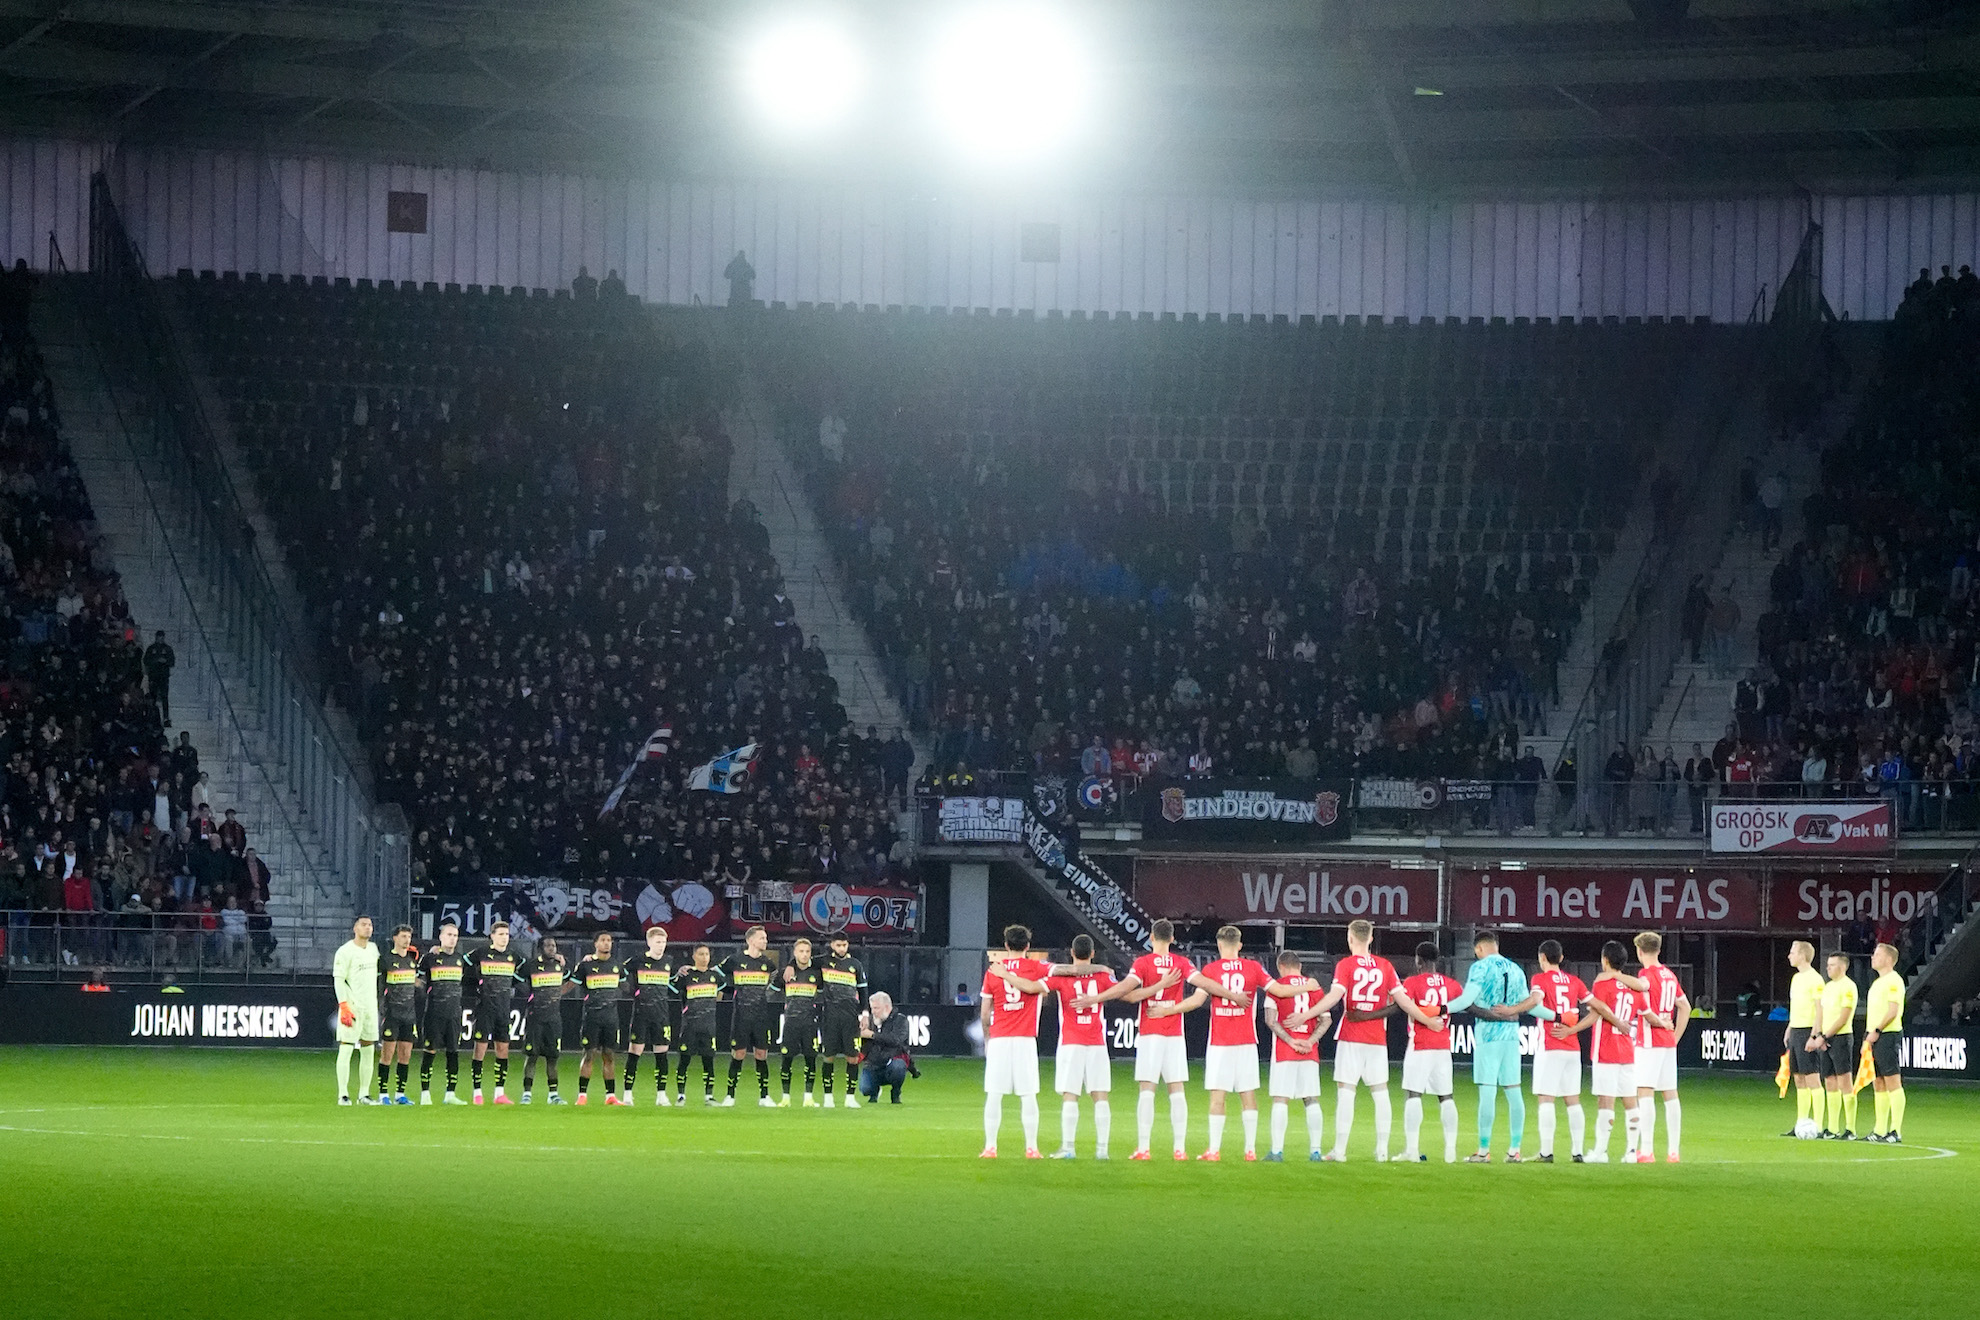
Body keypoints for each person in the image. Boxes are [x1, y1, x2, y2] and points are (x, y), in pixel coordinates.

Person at [1073, 916, 1190, 1159]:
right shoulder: (1182, 963)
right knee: (1176, 1089)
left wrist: (1094, 999)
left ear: (1150, 938)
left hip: (1150, 1032)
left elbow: (1126, 990)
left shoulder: (1143, 963)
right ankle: (1179, 1150)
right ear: (1172, 939)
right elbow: (1203, 987)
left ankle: (1144, 1148)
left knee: (1147, 1089)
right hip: (1175, 1033)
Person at [1311, 919, 1402, 1162]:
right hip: (1377, 1038)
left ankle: (1340, 1151)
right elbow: (1399, 1003)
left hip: (1351, 1034)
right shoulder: (1385, 966)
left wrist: (1309, 1013)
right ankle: (1382, 1150)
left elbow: (1335, 995)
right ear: (1371, 938)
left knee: (1346, 1092)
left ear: (1350, 938)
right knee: (1380, 1092)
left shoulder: (1346, 965)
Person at [1550, 941, 1642, 1162]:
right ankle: (1631, 1152)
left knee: (1606, 1101)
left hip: (1606, 1049)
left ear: (1605, 960)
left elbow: (1596, 1014)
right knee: (1631, 1101)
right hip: (1628, 1049)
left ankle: (1601, 1151)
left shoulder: (1603, 984)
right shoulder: (1634, 987)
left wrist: (1573, 1029)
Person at [1444, 930, 1531, 1162]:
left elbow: (1465, 1000)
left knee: (1487, 1092)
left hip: (1488, 1035)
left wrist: (1441, 1009)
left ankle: (1483, 1150)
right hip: (1512, 1036)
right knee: (1514, 1092)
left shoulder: (1480, 967)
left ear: (1478, 949)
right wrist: (1558, 1016)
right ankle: (1515, 1149)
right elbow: (1528, 1003)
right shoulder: (1516, 969)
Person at [978, 924, 1051, 1158]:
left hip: (1000, 1038)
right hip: (1025, 1038)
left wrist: (987, 1039)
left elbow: (984, 1012)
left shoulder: (993, 971)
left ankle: (990, 1146)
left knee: (994, 1094)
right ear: (1028, 946)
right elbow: (1062, 972)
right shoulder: (1037, 967)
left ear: (1006, 945)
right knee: (1028, 1094)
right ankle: (1032, 1147)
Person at [1039, 935, 1115, 1157]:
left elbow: (1040, 984)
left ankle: (1069, 1147)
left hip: (1071, 1041)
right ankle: (1102, 1150)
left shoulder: (1061, 977)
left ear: (1071, 953)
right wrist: (1102, 968)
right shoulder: (1103, 975)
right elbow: (1122, 991)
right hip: (1096, 1041)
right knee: (1100, 1095)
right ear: (1092, 953)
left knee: (1070, 1095)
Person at [1394, 942, 1464, 1164]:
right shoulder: (1452, 984)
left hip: (1420, 1044)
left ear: (1418, 960)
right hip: (1443, 1046)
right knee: (1446, 1097)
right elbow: (1463, 1003)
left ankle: (1412, 1151)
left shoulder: (1412, 982)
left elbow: (1402, 1005)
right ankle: (1450, 1151)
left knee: (1414, 1094)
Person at [1522, 940, 1588, 1162]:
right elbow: (1596, 1007)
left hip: (1550, 1045)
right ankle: (1577, 1152)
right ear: (1560, 958)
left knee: (1546, 1098)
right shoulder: (1575, 981)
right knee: (1573, 1099)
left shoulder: (1539, 979)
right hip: (1572, 1046)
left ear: (1542, 957)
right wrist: (1575, 1028)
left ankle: (1546, 1152)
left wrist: (1519, 1005)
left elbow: (1535, 1001)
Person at [1261, 950, 1330, 1162]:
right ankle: (1316, 1151)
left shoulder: (1276, 989)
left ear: (1281, 966)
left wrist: (1290, 1041)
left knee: (1281, 1099)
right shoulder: (1315, 988)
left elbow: (1270, 1020)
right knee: (1310, 1098)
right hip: (1309, 1052)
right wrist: (1310, 1041)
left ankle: (1277, 1151)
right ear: (1299, 966)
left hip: (1285, 1051)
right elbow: (1326, 1019)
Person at [1632, 931, 1690, 1162]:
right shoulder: (1669, 975)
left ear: (1640, 951)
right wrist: (1675, 1036)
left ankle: (1646, 1150)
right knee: (1670, 1094)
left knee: (1644, 1092)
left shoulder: (1645, 975)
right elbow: (1685, 1007)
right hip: (1667, 1042)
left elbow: (1644, 1010)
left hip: (1649, 1040)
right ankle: (1673, 1151)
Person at [720, 924, 778, 1107]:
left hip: (761, 1016)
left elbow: (776, 981)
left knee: (762, 1054)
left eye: (765, 938)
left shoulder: (768, 964)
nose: (765, 941)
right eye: (762, 938)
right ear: (750, 940)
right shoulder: (735, 960)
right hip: (741, 1016)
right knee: (739, 1053)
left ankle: (764, 1096)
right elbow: (715, 975)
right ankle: (730, 1095)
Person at [466, 921, 521, 1104]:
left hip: (504, 1009)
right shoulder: (482, 953)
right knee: (480, 1048)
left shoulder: (513, 956)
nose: (504, 937)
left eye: (507, 934)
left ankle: (499, 1093)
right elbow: (461, 962)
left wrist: (559, 959)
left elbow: (530, 969)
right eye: (501, 934)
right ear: (492, 936)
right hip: (484, 1008)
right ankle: (477, 1092)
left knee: (502, 1050)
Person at [568, 931, 627, 1106]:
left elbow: (627, 985)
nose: (607, 943)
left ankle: (610, 1096)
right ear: (595, 944)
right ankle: (582, 1095)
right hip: (592, 1017)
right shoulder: (585, 965)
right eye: (603, 940)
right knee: (589, 1055)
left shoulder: (617, 966)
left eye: (609, 940)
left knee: (609, 1055)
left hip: (611, 1018)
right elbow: (571, 984)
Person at [1806, 951, 1859, 1139]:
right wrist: (1818, 1035)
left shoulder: (1848, 987)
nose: (1828, 968)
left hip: (1841, 1037)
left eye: (1832, 965)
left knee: (1845, 1081)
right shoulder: (1827, 987)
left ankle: (1850, 1129)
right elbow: (1820, 1014)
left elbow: (1844, 1017)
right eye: (1827, 965)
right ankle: (1832, 1128)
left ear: (1843, 967)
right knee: (1829, 1081)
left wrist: (1825, 1036)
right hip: (1825, 1038)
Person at [623, 925, 676, 1106]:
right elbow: (619, 973)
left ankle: (661, 1094)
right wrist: (632, 991)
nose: (661, 945)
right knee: (634, 1052)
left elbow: (676, 981)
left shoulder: (669, 961)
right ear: (649, 942)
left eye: (664, 942)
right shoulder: (637, 960)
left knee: (661, 1054)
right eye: (658, 942)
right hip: (641, 1014)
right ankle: (628, 1093)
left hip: (662, 1015)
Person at [417, 920, 468, 1105]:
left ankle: (450, 1094)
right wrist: (426, 990)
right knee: (430, 1051)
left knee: (453, 1052)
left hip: (454, 1014)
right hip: (434, 1013)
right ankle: (425, 1093)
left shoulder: (460, 959)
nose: (452, 939)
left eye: (455, 935)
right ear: (441, 937)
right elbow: (416, 977)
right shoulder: (430, 958)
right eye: (449, 935)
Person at [332, 915, 380, 1106]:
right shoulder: (345, 951)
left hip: (370, 1007)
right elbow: (338, 979)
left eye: (370, 925)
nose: (367, 928)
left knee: (368, 1049)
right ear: (355, 928)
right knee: (346, 1048)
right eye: (363, 925)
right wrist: (343, 1004)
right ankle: (343, 1094)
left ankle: (364, 1094)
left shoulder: (373, 949)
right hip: (352, 1007)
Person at [1865, 942, 1908, 1144]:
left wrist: (1876, 1031)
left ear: (1889, 959)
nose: (1873, 957)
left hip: (1887, 1034)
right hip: (1875, 1034)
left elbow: (1892, 1011)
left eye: (1877, 954)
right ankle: (1879, 1129)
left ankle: (1895, 1131)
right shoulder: (1878, 982)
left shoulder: (1893, 981)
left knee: (1892, 1081)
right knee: (1879, 1082)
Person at [517, 937, 568, 1104]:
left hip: (554, 1019)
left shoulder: (559, 966)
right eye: (548, 945)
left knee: (553, 1058)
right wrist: (528, 993)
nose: (552, 948)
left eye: (554, 945)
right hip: (535, 1018)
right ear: (540, 948)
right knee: (532, 1056)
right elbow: (516, 979)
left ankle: (553, 1094)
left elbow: (573, 978)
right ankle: (527, 1094)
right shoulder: (531, 966)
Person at [672, 945, 726, 1105]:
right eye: (701, 954)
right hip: (689, 1025)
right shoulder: (686, 975)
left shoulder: (715, 976)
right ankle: (681, 1095)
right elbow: (674, 990)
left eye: (707, 954)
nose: (704, 957)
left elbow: (721, 993)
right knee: (684, 1060)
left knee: (708, 1061)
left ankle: (709, 1096)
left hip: (709, 1026)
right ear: (694, 956)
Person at [818, 934, 867, 1108]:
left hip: (850, 1017)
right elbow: (803, 963)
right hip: (830, 1017)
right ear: (832, 945)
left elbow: (863, 991)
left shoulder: (855, 965)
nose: (841, 948)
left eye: (844, 945)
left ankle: (850, 1097)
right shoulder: (822, 962)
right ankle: (828, 1097)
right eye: (838, 945)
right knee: (828, 1056)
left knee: (852, 1057)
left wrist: (865, 1013)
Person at [376, 924, 420, 1105]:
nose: (406, 940)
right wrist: (381, 1007)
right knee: (387, 1054)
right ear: (395, 938)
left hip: (409, 1015)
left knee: (405, 1055)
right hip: (392, 1014)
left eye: (408, 936)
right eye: (403, 936)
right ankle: (383, 1093)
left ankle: (400, 1093)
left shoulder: (411, 960)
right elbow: (379, 986)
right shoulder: (385, 960)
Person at [778, 937, 823, 1106]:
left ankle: (808, 1097)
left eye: (807, 952)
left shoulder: (817, 974)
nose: (804, 955)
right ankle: (785, 1098)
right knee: (786, 1059)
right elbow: (772, 991)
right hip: (790, 1023)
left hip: (810, 1023)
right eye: (801, 951)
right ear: (795, 953)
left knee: (810, 1059)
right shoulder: (786, 973)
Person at [857, 991, 916, 1104]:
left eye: (876, 1008)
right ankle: (874, 1092)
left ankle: (896, 1092)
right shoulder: (869, 1021)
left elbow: (896, 1040)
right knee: (865, 1089)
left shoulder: (900, 1020)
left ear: (887, 1007)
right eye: (872, 1008)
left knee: (898, 1067)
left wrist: (873, 1035)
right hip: (873, 1064)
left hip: (892, 1061)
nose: (873, 1012)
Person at [144, 631, 175, 727]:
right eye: (158, 637)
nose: (160, 639)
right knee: (152, 697)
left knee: (164, 697)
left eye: (161, 638)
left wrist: (165, 661)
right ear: (156, 637)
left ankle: (166, 718)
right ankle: (151, 716)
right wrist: (155, 660)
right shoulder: (151, 648)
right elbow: (146, 660)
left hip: (163, 677)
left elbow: (172, 662)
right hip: (153, 676)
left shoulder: (168, 649)